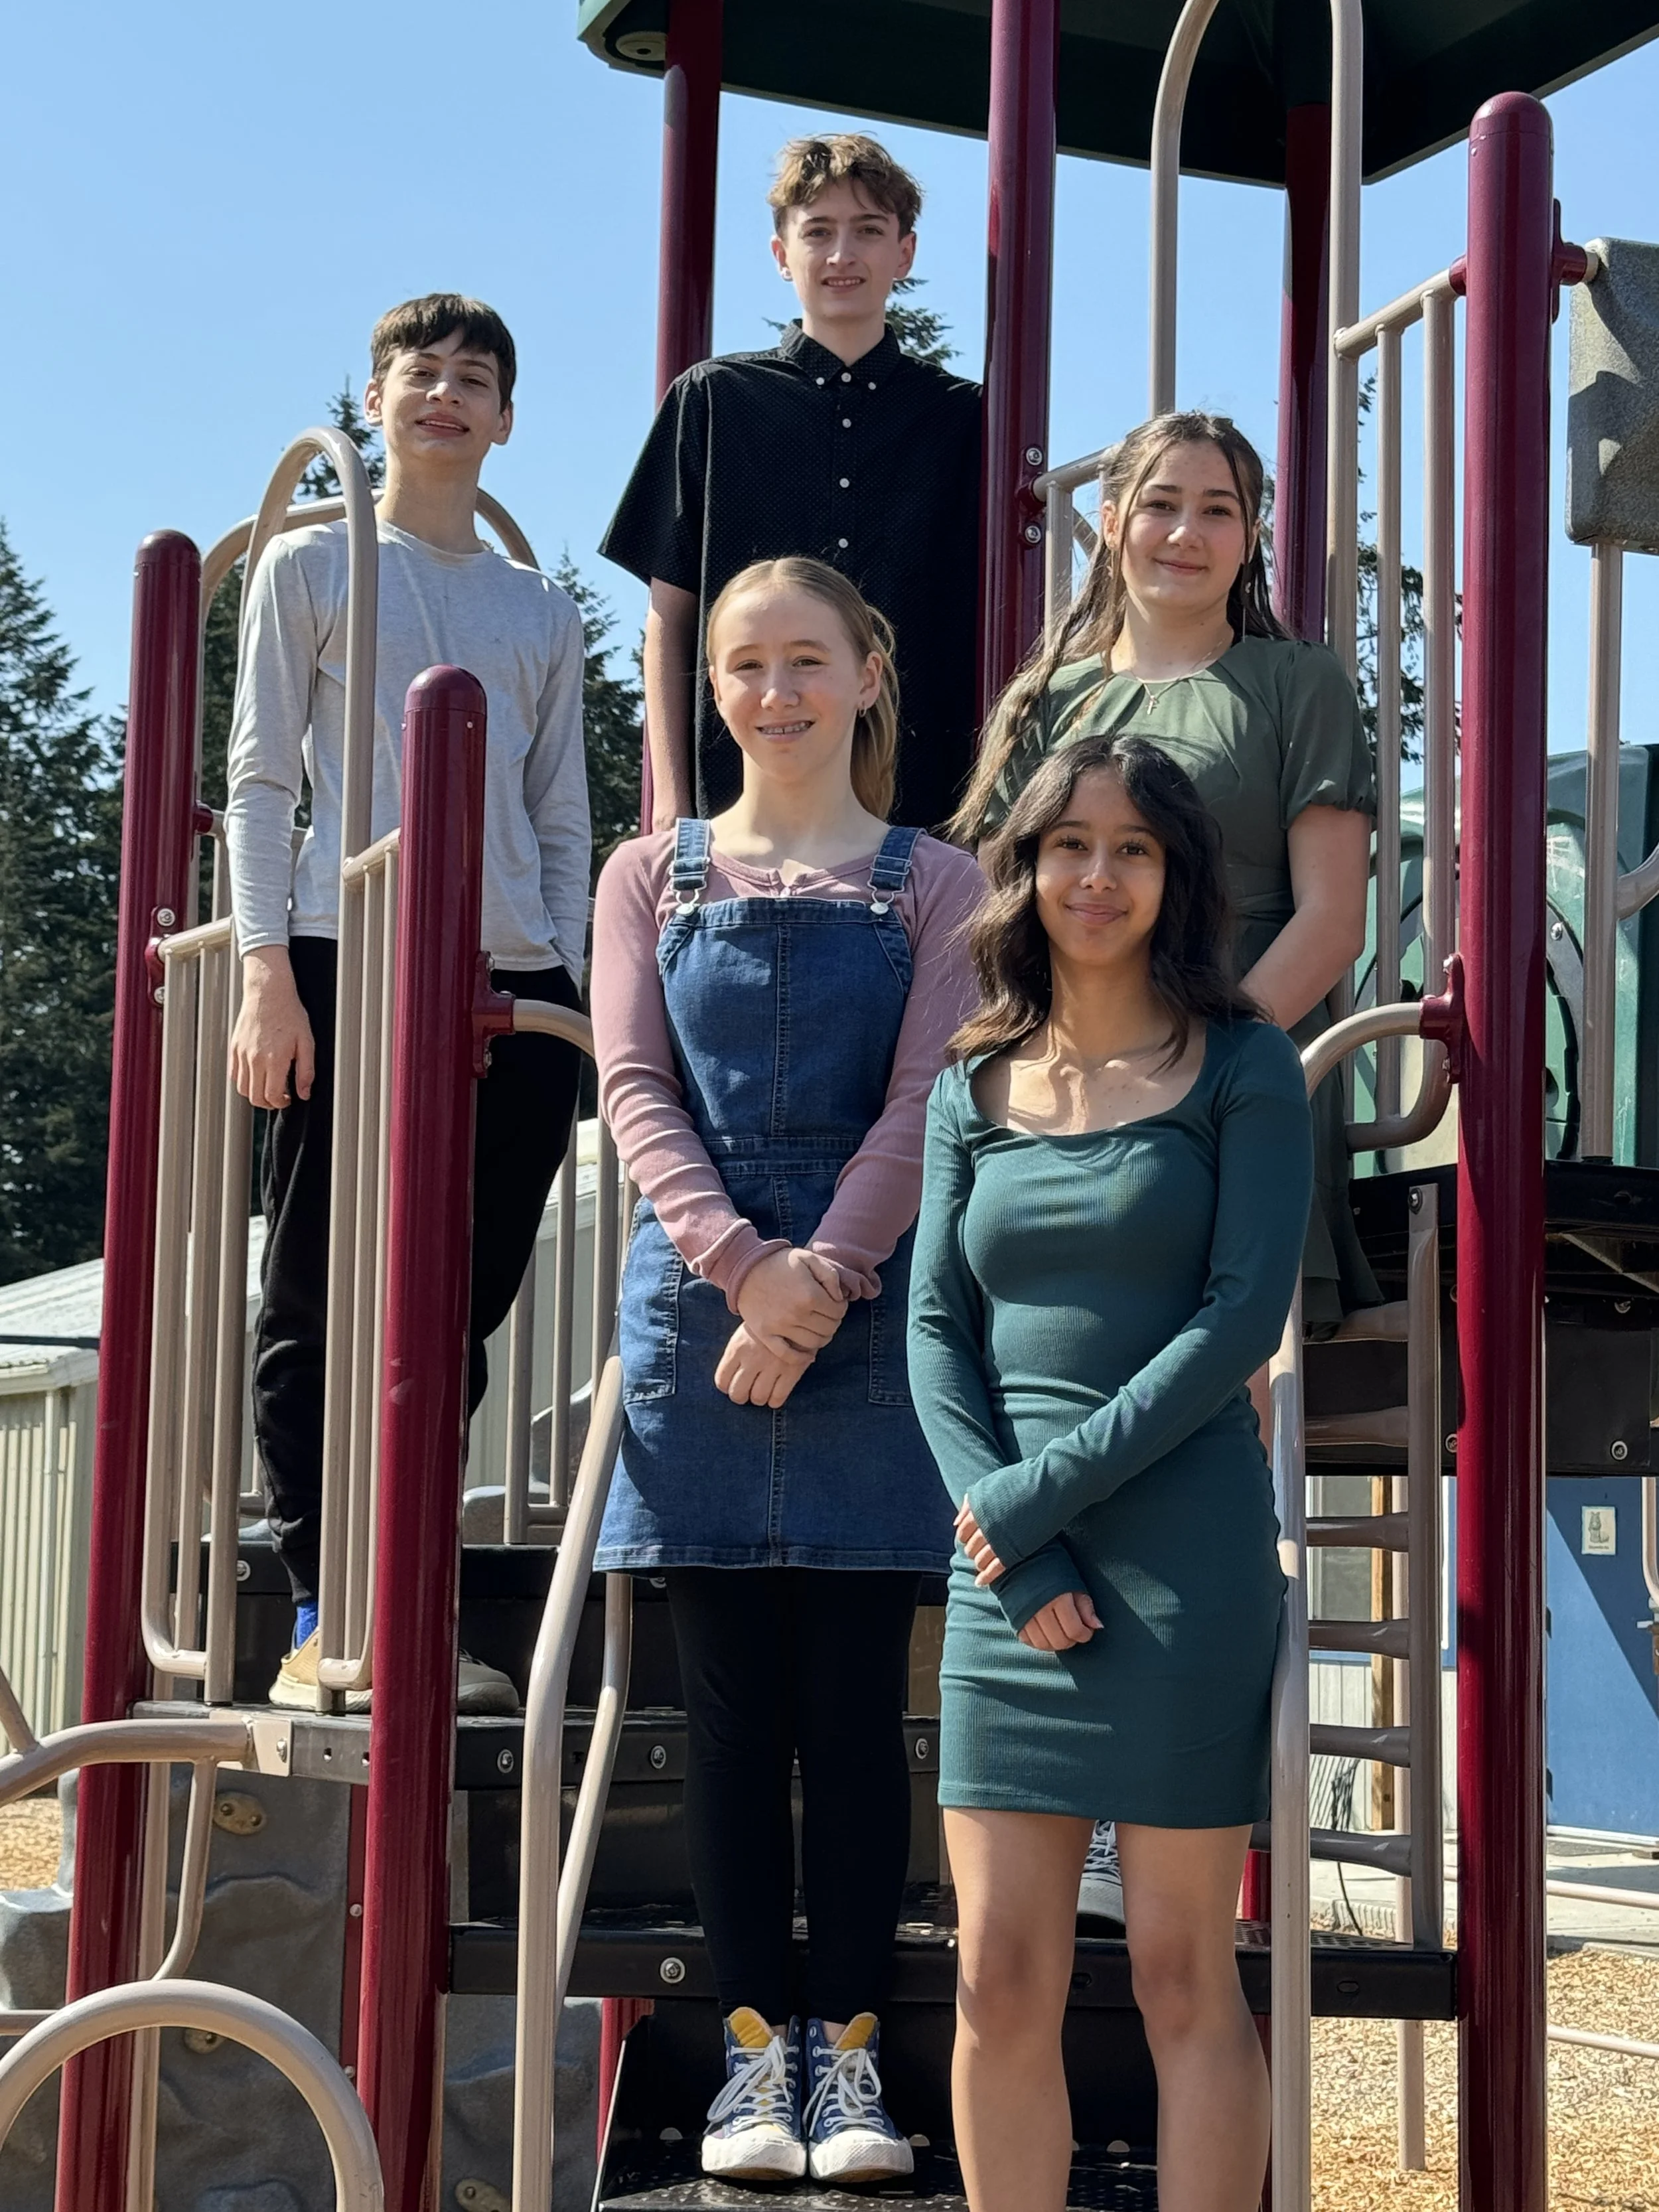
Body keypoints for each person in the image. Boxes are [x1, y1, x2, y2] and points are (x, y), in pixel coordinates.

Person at [589, 557, 981, 2185]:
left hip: (873, 1319)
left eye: (807, 659)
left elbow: (930, 1100)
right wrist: (750, 1270)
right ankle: (755, 2061)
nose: (774, 693)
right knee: (731, 1721)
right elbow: (630, 1083)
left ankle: (855, 2064)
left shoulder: (937, 882)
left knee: (854, 1717)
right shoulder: (646, 874)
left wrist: (822, 1275)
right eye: (745, 665)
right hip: (698, 1322)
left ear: (871, 671)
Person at [908, 735, 1313, 2212]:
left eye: (1131, 848)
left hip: (1178, 1559)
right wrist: (1018, 1540)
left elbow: (1230, 1325)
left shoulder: (1245, 1063)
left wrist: (1035, 1502)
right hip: (1012, 1562)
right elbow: (937, 1333)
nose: (1096, 874)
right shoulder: (968, 1081)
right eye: (1067, 843)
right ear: (1023, 868)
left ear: (1173, 874)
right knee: (996, 1976)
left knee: (1175, 1971)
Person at [225, 293, 591, 1714]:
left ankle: (410, 1589)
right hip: (342, 944)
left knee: (458, 1303)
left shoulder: (539, 607)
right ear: (374, 402)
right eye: (417, 373)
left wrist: (556, 972)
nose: (443, 395)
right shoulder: (312, 566)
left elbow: (560, 812)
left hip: (508, 979)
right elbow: (263, 780)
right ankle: (329, 1603)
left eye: (472, 379)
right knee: (318, 1287)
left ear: (505, 418)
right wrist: (267, 973)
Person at [950, 408, 1376, 1338]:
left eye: (1218, 510)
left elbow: (1334, 919)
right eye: (1162, 504)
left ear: (1252, 534)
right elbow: (1007, 911)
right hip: (1066, 1081)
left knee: (1227, 1378)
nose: (1187, 533)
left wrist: (1202, 1065)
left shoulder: (1300, 684)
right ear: (1111, 522)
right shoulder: (1048, 702)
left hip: (1243, 1076)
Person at [601, 132, 982, 834]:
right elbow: (670, 619)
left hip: (928, 815)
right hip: (735, 814)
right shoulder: (712, 400)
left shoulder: (968, 418)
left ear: (904, 253)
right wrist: (669, 804)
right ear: (782, 256)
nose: (842, 255)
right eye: (819, 232)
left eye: (869, 231)